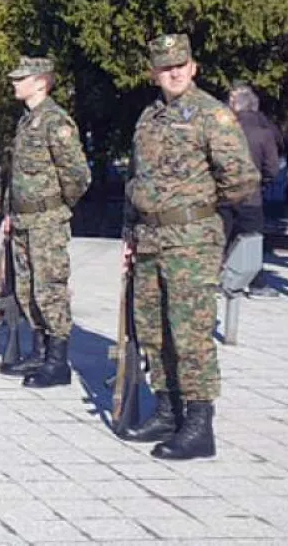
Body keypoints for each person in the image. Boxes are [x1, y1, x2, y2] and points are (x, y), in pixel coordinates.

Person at [120, 34, 259, 460]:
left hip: (191, 242)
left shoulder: (211, 115)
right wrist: (130, 230)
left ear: (193, 67)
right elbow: (137, 178)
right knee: (153, 328)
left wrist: (200, 213)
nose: (174, 72)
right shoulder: (148, 118)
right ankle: (167, 411)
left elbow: (241, 178)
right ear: (153, 73)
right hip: (149, 239)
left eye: (180, 65)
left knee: (191, 332)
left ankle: (199, 424)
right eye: (165, 67)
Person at [1, 57, 92, 387]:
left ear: (40, 82)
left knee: (49, 288)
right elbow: (18, 175)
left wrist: (56, 207)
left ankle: (57, 362)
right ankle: (39, 352)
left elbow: (78, 175)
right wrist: (10, 212)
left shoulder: (56, 121)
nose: (14, 83)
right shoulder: (27, 121)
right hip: (23, 219)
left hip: (46, 221)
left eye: (21, 78)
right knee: (27, 288)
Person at [226, 83, 283, 296]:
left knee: (222, 238)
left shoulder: (224, 129)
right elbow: (272, 168)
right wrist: (262, 183)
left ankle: (218, 279)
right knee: (252, 240)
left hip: (222, 196)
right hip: (251, 196)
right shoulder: (264, 133)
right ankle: (256, 283)